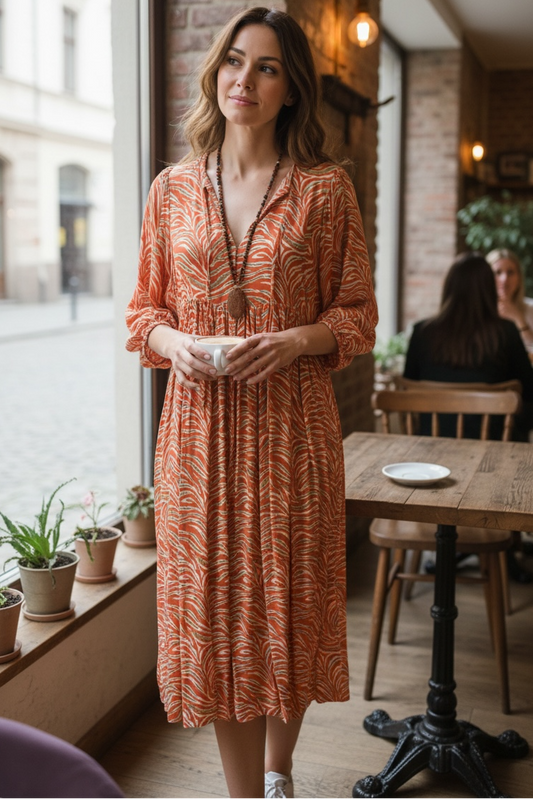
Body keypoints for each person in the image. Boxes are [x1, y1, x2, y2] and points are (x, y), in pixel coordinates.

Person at [125, 8, 378, 799]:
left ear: (291, 87)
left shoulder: (325, 191)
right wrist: (175, 347)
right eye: (234, 61)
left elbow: (358, 315)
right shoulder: (170, 191)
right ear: (215, 71)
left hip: (292, 431)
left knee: (288, 609)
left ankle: (279, 769)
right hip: (197, 435)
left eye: (267, 67)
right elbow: (141, 314)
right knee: (216, 626)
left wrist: (299, 339)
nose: (245, 79)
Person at [403, 251, 533, 581]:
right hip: (495, 467)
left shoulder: (421, 332)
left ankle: (453, 544)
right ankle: (506, 543)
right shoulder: (504, 333)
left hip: (428, 462)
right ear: (488, 290)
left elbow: (409, 398)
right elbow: (530, 394)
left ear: (449, 288)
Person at [486, 248, 533, 352]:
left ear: (519, 277)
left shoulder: (531, 308)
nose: (504, 279)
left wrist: (519, 319)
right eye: (497, 272)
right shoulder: (477, 311)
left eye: (510, 272)